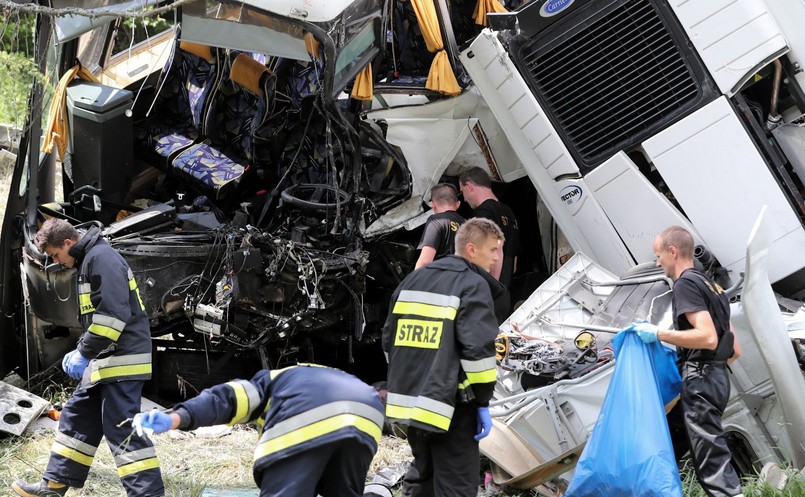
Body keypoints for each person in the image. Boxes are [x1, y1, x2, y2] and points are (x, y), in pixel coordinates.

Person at [13, 218, 164, 497]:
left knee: (123, 431)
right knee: (77, 416)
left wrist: (83, 351)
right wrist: (87, 349)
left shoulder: (101, 258)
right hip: (106, 360)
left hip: (123, 360)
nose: (56, 262)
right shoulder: (90, 259)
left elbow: (112, 317)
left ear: (68, 243)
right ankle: (54, 486)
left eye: (56, 255)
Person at [383, 217, 503, 497]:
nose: (497, 258)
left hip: (410, 404)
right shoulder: (472, 284)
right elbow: (479, 354)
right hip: (452, 406)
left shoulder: (414, 279)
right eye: (493, 250)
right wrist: (483, 401)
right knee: (456, 485)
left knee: (423, 478)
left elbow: (389, 340)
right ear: (471, 249)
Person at [132, 364, 385, 497]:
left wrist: (176, 417)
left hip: (309, 411)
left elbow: (226, 400)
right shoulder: (318, 374)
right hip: (367, 415)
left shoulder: (267, 383)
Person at [629, 225, 743, 497]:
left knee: (712, 464)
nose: (657, 262)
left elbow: (707, 337)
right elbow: (734, 348)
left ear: (672, 251)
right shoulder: (712, 286)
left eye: (659, 255)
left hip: (700, 379)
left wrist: (659, 333)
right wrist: (712, 371)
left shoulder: (684, 284)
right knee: (677, 441)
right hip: (717, 379)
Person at [458, 167, 520, 287]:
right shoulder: (508, 211)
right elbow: (514, 263)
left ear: (469, 186)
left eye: (463, 191)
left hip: (492, 289)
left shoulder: (483, 212)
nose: (464, 199)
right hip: (506, 288)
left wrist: (491, 284)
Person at [415, 183, 465, 270]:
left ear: (433, 205)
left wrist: (414, 282)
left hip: (444, 279)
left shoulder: (435, 221)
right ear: (458, 204)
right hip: (466, 279)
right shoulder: (469, 225)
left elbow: (425, 261)